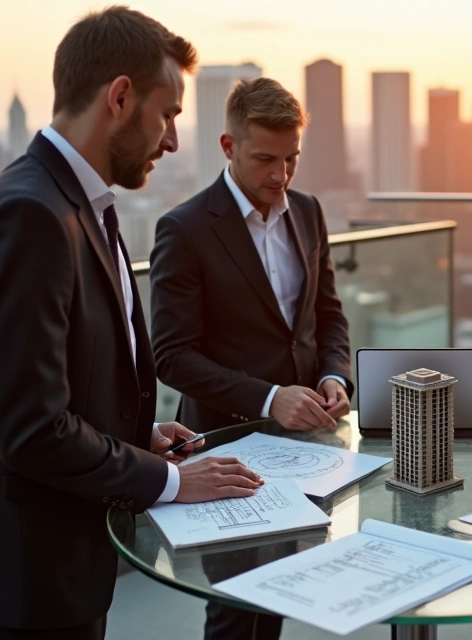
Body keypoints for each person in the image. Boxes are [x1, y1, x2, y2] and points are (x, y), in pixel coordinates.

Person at [0, 8, 263, 639]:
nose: (170, 140)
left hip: (63, 550)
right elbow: (29, 429)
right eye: (168, 115)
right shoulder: (29, 217)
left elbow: (64, 380)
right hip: (37, 565)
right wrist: (169, 480)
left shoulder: (73, 205)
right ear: (120, 97)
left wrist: (139, 436)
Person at [149, 77, 352, 640]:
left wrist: (335, 375)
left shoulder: (308, 212)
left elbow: (327, 315)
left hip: (311, 447)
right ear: (228, 146)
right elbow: (171, 355)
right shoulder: (184, 229)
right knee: (237, 610)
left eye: (291, 159)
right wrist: (269, 397)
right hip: (228, 454)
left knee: (283, 589)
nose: (280, 176)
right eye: (265, 158)